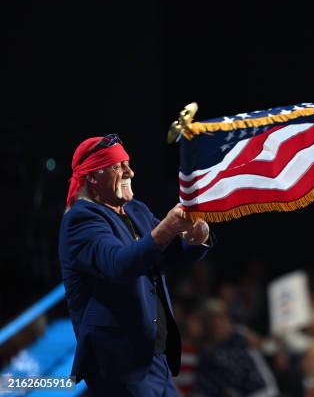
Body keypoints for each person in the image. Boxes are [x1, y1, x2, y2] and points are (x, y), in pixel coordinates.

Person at [58, 134, 212, 396]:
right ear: (93, 178)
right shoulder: (81, 220)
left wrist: (195, 237)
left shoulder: (135, 210)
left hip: (156, 358)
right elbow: (120, 264)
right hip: (121, 365)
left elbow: (167, 253)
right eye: (118, 166)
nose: (130, 171)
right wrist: (168, 227)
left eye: (127, 163)